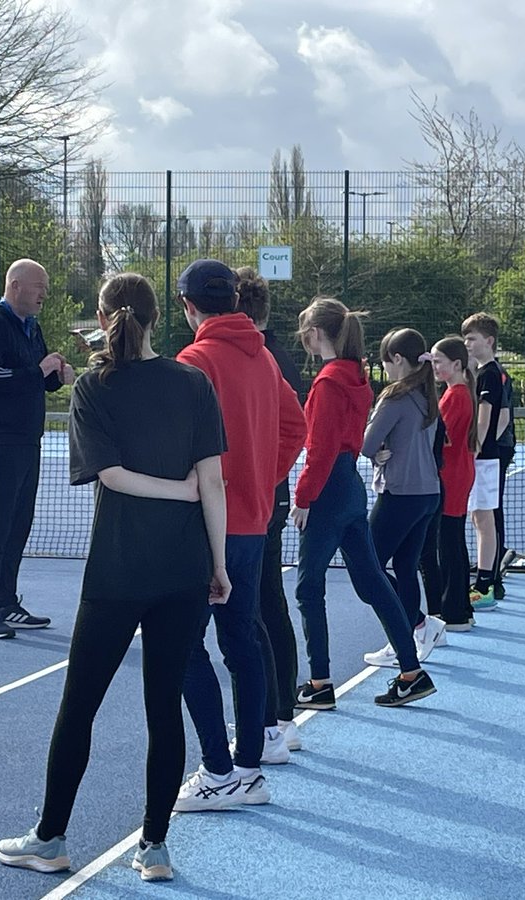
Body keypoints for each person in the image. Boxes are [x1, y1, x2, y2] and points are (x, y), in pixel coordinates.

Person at [0, 272, 229, 883]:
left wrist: (176, 493)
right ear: (159, 318)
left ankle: (50, 838)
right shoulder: (193, 383)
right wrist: (219, 564)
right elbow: (213, 483)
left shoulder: (93, 388)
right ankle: (154, 847)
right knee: (163, 711)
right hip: (182, 571)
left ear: (104, 318)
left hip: (118, 574)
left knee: (79, 709)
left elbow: (114, 476)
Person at [173, 259, 307, 812]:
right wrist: (260, 478)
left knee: (182, 646)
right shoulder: (265, 356)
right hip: (254, 522)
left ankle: (218, 770)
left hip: (208, 527)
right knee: (243, 643)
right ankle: (248, 768)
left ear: (188, 307)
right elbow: (296, 428)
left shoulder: (193, 361)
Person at [291, 298, 437, 709]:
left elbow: (319, 449)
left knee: (308, 587)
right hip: (351, 487)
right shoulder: (357, 376)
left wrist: (303, 498)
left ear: (316, 334)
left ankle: (319, 682)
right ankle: (411, 671)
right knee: (373, 580)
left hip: (329, 489)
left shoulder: (327, 382)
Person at [0, 258, 74, 639]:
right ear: (15, 285)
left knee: (18, 525)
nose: (44, 293)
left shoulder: (33, 327)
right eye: (38, 286)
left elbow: (38, 382)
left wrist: (57, 375)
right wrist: (39, 370)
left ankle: (8, 602)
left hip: (30, 439)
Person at [234, 266, 307, 754]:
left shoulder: (264, 358)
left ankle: (273, 721)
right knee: (268, 601)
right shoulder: (273, 354)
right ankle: (281, 716)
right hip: (267, 494)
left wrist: (267, 476)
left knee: (258, 607)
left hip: (255, 499)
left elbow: (292, 429)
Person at [360, 328, 447, 668]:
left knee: (368, 569)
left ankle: (414, 628)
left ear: (397, 359)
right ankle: (415, 632)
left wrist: (378, 450)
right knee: (405, 566)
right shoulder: (428, 394)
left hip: (401, 493)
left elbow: (366, 444)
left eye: (386, 364)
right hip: (428, 494)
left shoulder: (395, 397)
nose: (385, 372)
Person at [419, 336, 478, 630]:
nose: (435, 366)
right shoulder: (457, 393)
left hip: (451, 476)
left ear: (456, 364)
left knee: (448, 543)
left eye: (439, 361)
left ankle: (453, 611)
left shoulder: (456, 396)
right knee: (452, 541)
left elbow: (442, 438)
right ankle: (459, 608)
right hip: (457, 473)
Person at [462, 312, 515, 610]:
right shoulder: (486, 372)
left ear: (489, 341)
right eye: (465, 338)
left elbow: (493, 418)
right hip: (490, 454)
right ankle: (491, 579)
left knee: (485, 516)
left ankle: (486, 584)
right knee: (485, 515)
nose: (467, 343)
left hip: (488, 456)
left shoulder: (491, 374)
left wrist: (477, 448)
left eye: (472, 338)